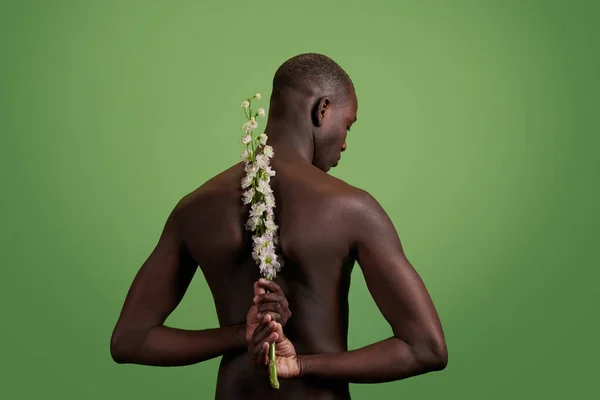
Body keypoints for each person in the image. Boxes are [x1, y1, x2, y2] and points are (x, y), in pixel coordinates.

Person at [110, 53, 447, 399]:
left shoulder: (195, 208)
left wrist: (242, 334)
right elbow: (426, 348)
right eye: (348, 124)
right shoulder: (352, 209)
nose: (345, 141)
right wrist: (301, 365)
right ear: (322, 110)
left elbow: (131, 340)